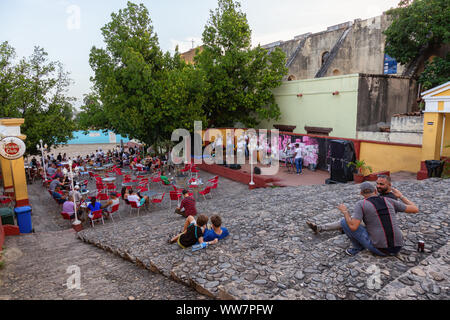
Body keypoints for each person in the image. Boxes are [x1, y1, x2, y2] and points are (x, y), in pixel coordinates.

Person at [338, 182, 419, 256]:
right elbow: (415, 209)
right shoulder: (389, 200)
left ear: (361, 193)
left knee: (344, 222)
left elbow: (353, 227)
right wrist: (401, 196)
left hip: (381, 250)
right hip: (397, 248)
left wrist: (345, 211)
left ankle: (357, 248)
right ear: (376, 191)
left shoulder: (361, 204)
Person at [306, 175, 401, 234]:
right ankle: (326, 228)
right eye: (377, 184)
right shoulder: (382, 193)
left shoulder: (391, 198)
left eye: (382, 184)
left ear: (390, 185)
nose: (378, 186)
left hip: (377, 224)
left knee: (346, 221)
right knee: (349, 220)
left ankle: (322, 228)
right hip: (372, 218)